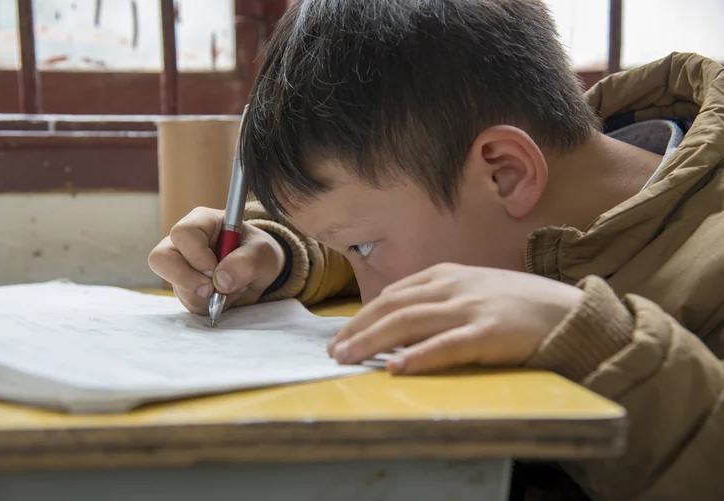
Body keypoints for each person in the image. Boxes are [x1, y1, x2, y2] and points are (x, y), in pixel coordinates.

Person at [148, 1, 724, 499]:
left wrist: (591, 337)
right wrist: (280, 254)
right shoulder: (518, 182)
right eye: (346, 249)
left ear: (505, 174)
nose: (370, 297)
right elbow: (417, 218)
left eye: (363, 246)